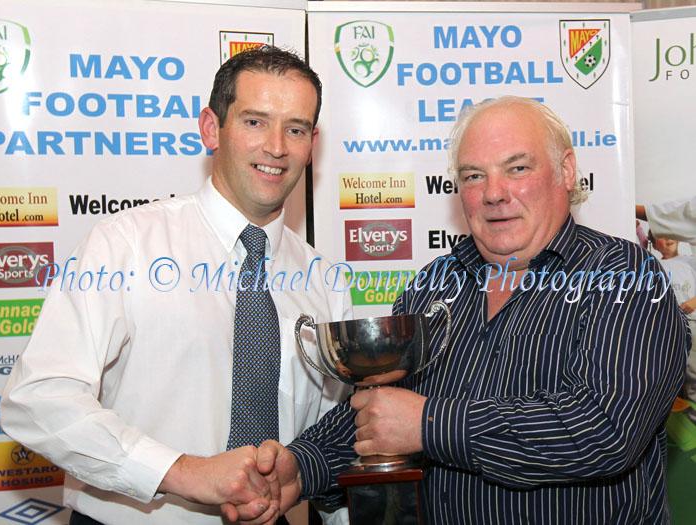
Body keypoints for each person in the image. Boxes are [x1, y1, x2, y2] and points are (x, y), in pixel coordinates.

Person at [254, 96, 690, 524]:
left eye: (518, 168)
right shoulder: (432, 286)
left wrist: (428, 424)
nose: (494, 194)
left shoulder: (627, 277)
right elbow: (379, 412)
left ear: (566, 171)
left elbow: (602, 432)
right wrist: (300, 467)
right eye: (474, 176)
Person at [0, 46, 351, 525]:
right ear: (211, 128)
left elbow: (332, 433)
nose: (276, 146)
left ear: (313, 142)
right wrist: (182, 472)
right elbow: (37, 398)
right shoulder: (123, 246)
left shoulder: (325, 281)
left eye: (295, 128)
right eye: (254, 121)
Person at [649, 231, 696, 421]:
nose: (668, 238)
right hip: (667, 327)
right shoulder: (653, 264)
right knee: (675, 373)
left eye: (672, 233)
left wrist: (694, 300)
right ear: (654, 244)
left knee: (693, 372)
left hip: (692, 323)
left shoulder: (689, 261)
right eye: (662, 235)